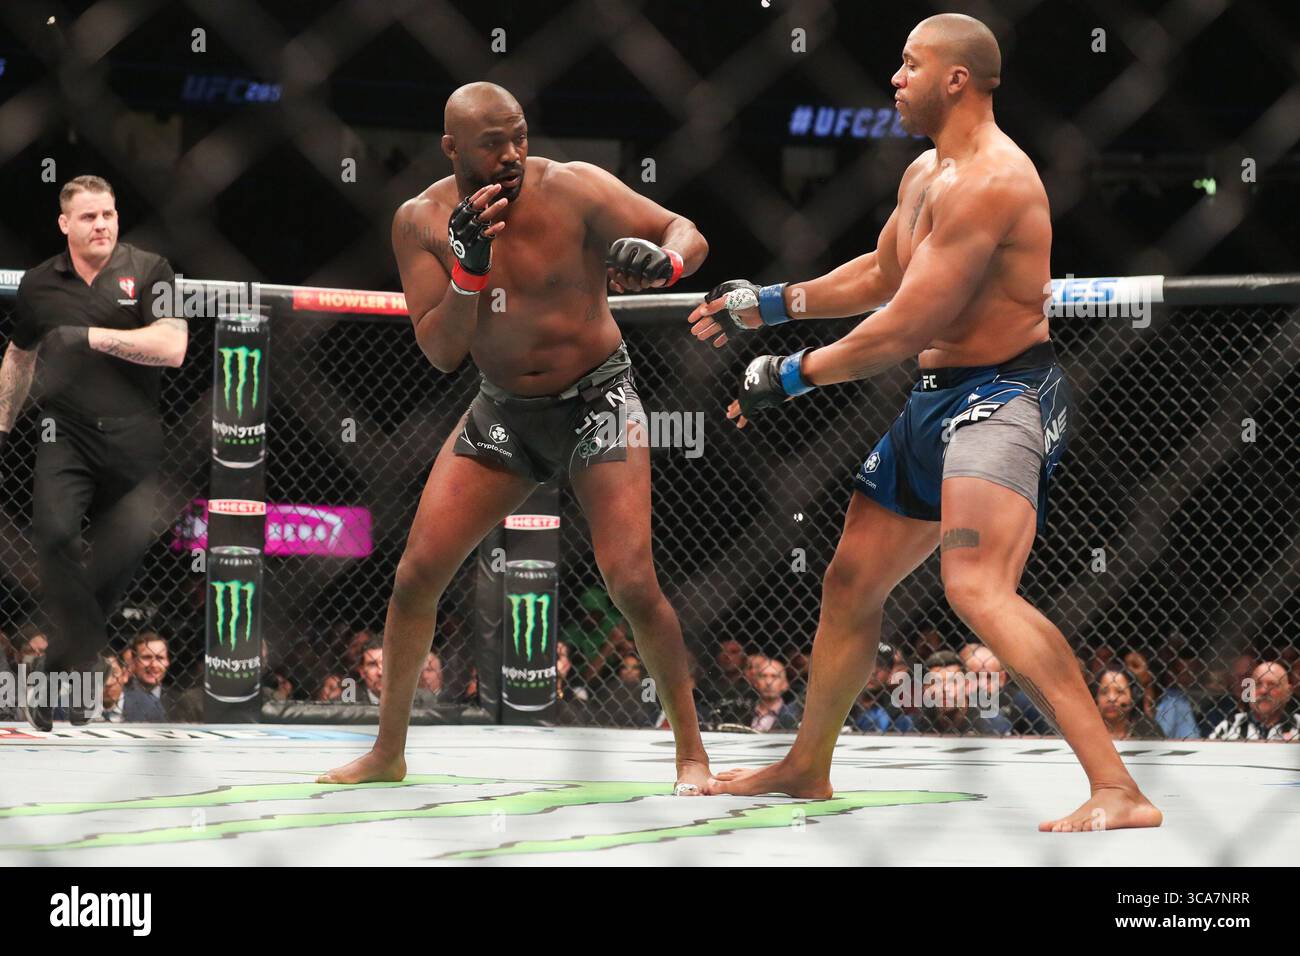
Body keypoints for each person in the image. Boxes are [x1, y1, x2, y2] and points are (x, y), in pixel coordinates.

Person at [691, 14, 1161, 830]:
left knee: (975, 585)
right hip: (934, 399)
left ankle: (1119, 788)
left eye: (910, 65)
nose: (895, 79)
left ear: (956, 79)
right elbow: (882, 274)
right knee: (850, 581)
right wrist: (769, 305)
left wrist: (794, 374)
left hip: (1002, 397)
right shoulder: (925, 173)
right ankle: (806, 766)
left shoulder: (993, 181)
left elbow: (904, 325)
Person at [319, 82, 713, 794]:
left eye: (520, 136)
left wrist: (670, 261)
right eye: (492, 143)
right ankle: (387, 752)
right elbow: (442, 351)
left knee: (631, 581)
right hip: (504, 410)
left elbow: (684, 227)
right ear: (451, 148)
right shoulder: (420, 221)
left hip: (599, 398)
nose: (511, 154)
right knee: (415, 576)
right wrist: (469, 270)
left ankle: (692, 754)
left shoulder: (574, 187)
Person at [0, 176, 185, 730]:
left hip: (135, 435)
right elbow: (19, 356)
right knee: (55, 535)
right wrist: (2, 423)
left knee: (113, 572)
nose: (101, 224)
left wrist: (89, 336)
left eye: (108, 214)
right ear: (65, 224)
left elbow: (173, 345)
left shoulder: (152, 269)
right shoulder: (39, 283)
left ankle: (57, 666)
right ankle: (73, 657)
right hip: (66, 433)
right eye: (88, 216)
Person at [1209, 661, 1298, 741]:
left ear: (1288, 693)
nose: (1264, 691)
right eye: (1258, 684)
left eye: (1272, 685)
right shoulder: (1228, 727)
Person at [1094, 668, 1164, 740]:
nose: (1111, 699)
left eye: (1120, 692)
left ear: (1133, 697)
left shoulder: (1149, 730)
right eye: (1104, 692)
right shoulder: (1088, 729)